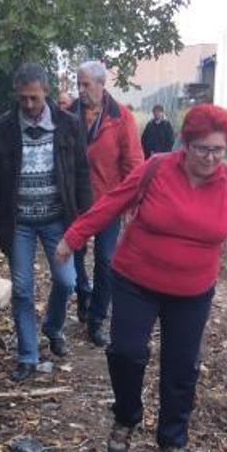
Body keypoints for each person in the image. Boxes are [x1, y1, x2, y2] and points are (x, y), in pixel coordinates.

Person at [54, 104, 227, 452]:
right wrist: (74, 236)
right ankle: (126, 417)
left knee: (182, 368)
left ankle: (172, 441)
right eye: (202, 148)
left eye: (218, 149)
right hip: (136, 280)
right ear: (185, 144)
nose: (210, 157)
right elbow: (113, 202)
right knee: (126, 353)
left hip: (192, 291)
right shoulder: (157, 169)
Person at [0, 63, 93, 382]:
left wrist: (87, 218)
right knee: (24, 291)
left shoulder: (69, 125)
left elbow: (82, 174)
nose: (28, 105)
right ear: (16, 95)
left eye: (34, 99)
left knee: (67, 281)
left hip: (58, 219)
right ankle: (28, 356)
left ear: (46, 93)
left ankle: (53, 327)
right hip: (19, 224)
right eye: (23, 99)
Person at [69, 60, 144, 347]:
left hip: (108, 203)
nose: (81, 89)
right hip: (76, 202)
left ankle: (97, 318)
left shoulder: (121, 117)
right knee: (73, 257)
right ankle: (83, 294)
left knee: (107, 260)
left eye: (86, 84)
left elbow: (134, 164)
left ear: (102, 85)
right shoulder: (69, 114)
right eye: (78, 84)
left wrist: (130, 204)